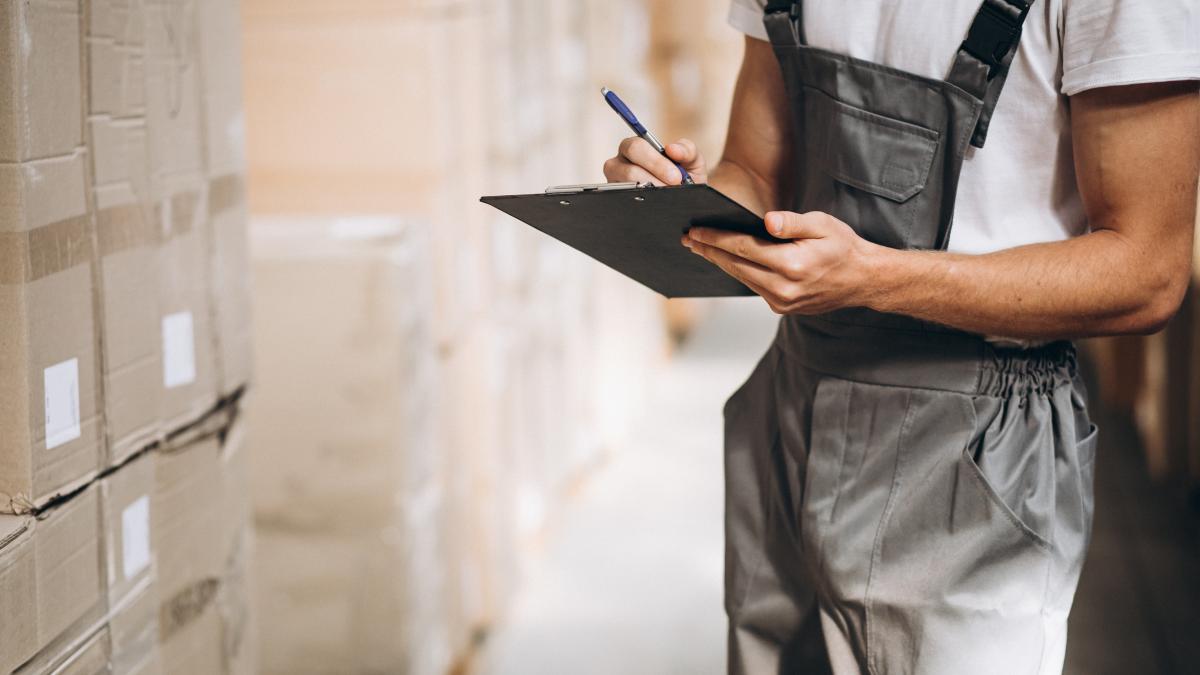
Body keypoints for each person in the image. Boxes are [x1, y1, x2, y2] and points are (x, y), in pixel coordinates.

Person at [603, 1, 1200, 673]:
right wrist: (686, 197)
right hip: (795, 406)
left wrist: (871, 277)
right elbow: (757, 170)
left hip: (976, 452)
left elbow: (1148, 269)